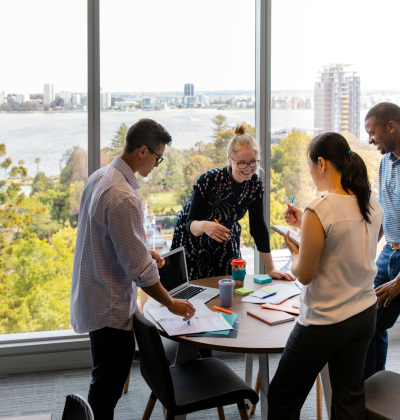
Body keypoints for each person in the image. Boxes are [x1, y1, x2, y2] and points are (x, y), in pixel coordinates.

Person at [70, 118, 195, 420]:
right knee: (106, 390)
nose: (156, 164)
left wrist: (143, 249)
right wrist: (171, 302)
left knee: (103, 382)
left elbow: (105, 236)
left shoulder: (101, 177)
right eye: (157, 157)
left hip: (93, 295)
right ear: (142, 151)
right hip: (110, 306)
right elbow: (141, 272)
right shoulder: (123, 195)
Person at [268, 132, 384, 419]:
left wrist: (295, 251)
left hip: (325, 321)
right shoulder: (370, 199)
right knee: (349, 397)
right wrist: (305, 226)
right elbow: (353, 245)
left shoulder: (320, 208)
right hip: (364, 313)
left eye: (310, 165)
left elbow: (304, 274)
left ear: (321, 163)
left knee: (282, 396)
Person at [171, 123, 294, 281]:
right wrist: (204, 225)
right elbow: (190, 224)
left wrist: (270, 268)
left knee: (230, 284)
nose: (248, 168)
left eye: (253, 162)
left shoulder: (255, 184)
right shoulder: (209, 180)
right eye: (242, 163)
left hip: (225, 235)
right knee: (197, 290)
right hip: (195, 237)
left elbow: (258, 228)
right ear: (230, 160)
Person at [363, 102, 400, 379]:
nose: (370, 140)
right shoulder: (385, 162)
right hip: (389, 253)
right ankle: (370, 394)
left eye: (372, 133)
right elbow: (384, 212)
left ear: (391, 126)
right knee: (370, 321)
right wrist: (368, 250)